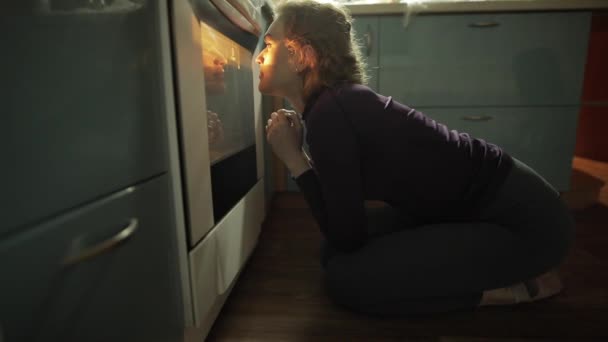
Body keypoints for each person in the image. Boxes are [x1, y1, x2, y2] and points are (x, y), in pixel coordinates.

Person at [257, 0, 574, 315]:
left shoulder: (331, 115)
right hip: (473, 214)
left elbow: (347, 238)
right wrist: (302, 158)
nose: (259, 57)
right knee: (332, 254)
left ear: (302, 56)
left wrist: (295, 160)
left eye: (269, 45)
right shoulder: (334, 106)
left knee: (345, 280)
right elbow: (343, 227)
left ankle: (504, 290)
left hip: (525, 227)